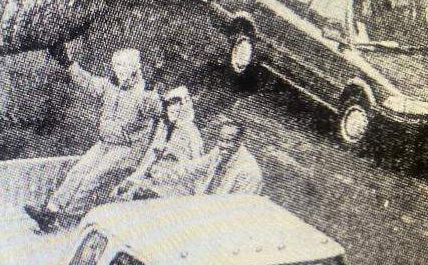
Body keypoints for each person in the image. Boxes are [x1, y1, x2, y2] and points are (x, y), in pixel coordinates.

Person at [25, 44, 161, 231]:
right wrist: (67, 62)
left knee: (92, 179)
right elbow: (87, 81)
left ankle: (70, 220)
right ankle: (50, 212)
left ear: (134, 68)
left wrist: (154, 93)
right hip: (104, 143)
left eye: (124, 66)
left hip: (125, 148)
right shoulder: (109, 86)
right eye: (117, 65)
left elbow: (157, 111)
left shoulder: (143, 94)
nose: (119, 70)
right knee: (77, 171)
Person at [113, 84, 204, 201]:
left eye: (178, 103)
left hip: (175, 188)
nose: (173, 108)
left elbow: (195, 165)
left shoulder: (191, 132)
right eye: (170, 104)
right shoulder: (164, 129)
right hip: (154, 182)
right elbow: (150, 158)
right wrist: (132, 180)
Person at [153, 119, 263, 197]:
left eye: (228, 141)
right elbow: (192, 169)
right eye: (221, 139)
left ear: (240, 142)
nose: (222, 145)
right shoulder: (218, 152)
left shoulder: (249, 172)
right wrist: (158, 175)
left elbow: (238, 210)